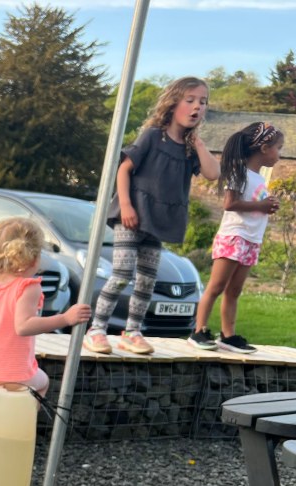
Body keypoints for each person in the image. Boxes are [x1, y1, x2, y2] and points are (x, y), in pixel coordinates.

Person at [84, 76, 221, 356]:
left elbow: (213, 173)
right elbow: (124, 169)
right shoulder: (153, 136)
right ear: (173, 103)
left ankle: (132, 332)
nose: (197, 106)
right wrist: (126, 205)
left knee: (147, 279)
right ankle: (96, 329)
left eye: (203, 102)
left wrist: (198, 144)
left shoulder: (189, 147)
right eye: (190, 100)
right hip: (132, 216)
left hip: (157, 222)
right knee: (122, 274)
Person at [0, 218, 92, 398]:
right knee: (43, 382)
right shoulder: (27, 287)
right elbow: (24, 326)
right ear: (34, 259)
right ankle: (26, 416)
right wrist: (65, 318)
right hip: (16, 377)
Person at [189, 122, 284, 354]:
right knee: (216, 286)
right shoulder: (238, 172)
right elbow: (230, 204)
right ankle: (198, 331)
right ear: (264, 148)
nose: (279, 155)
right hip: (234, 237)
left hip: (251, 240)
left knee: (234, 291)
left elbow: (254, 205)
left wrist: (267, 206)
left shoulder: (260, 178)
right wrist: (261, 205)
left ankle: (228, 336)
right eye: (278, 148)